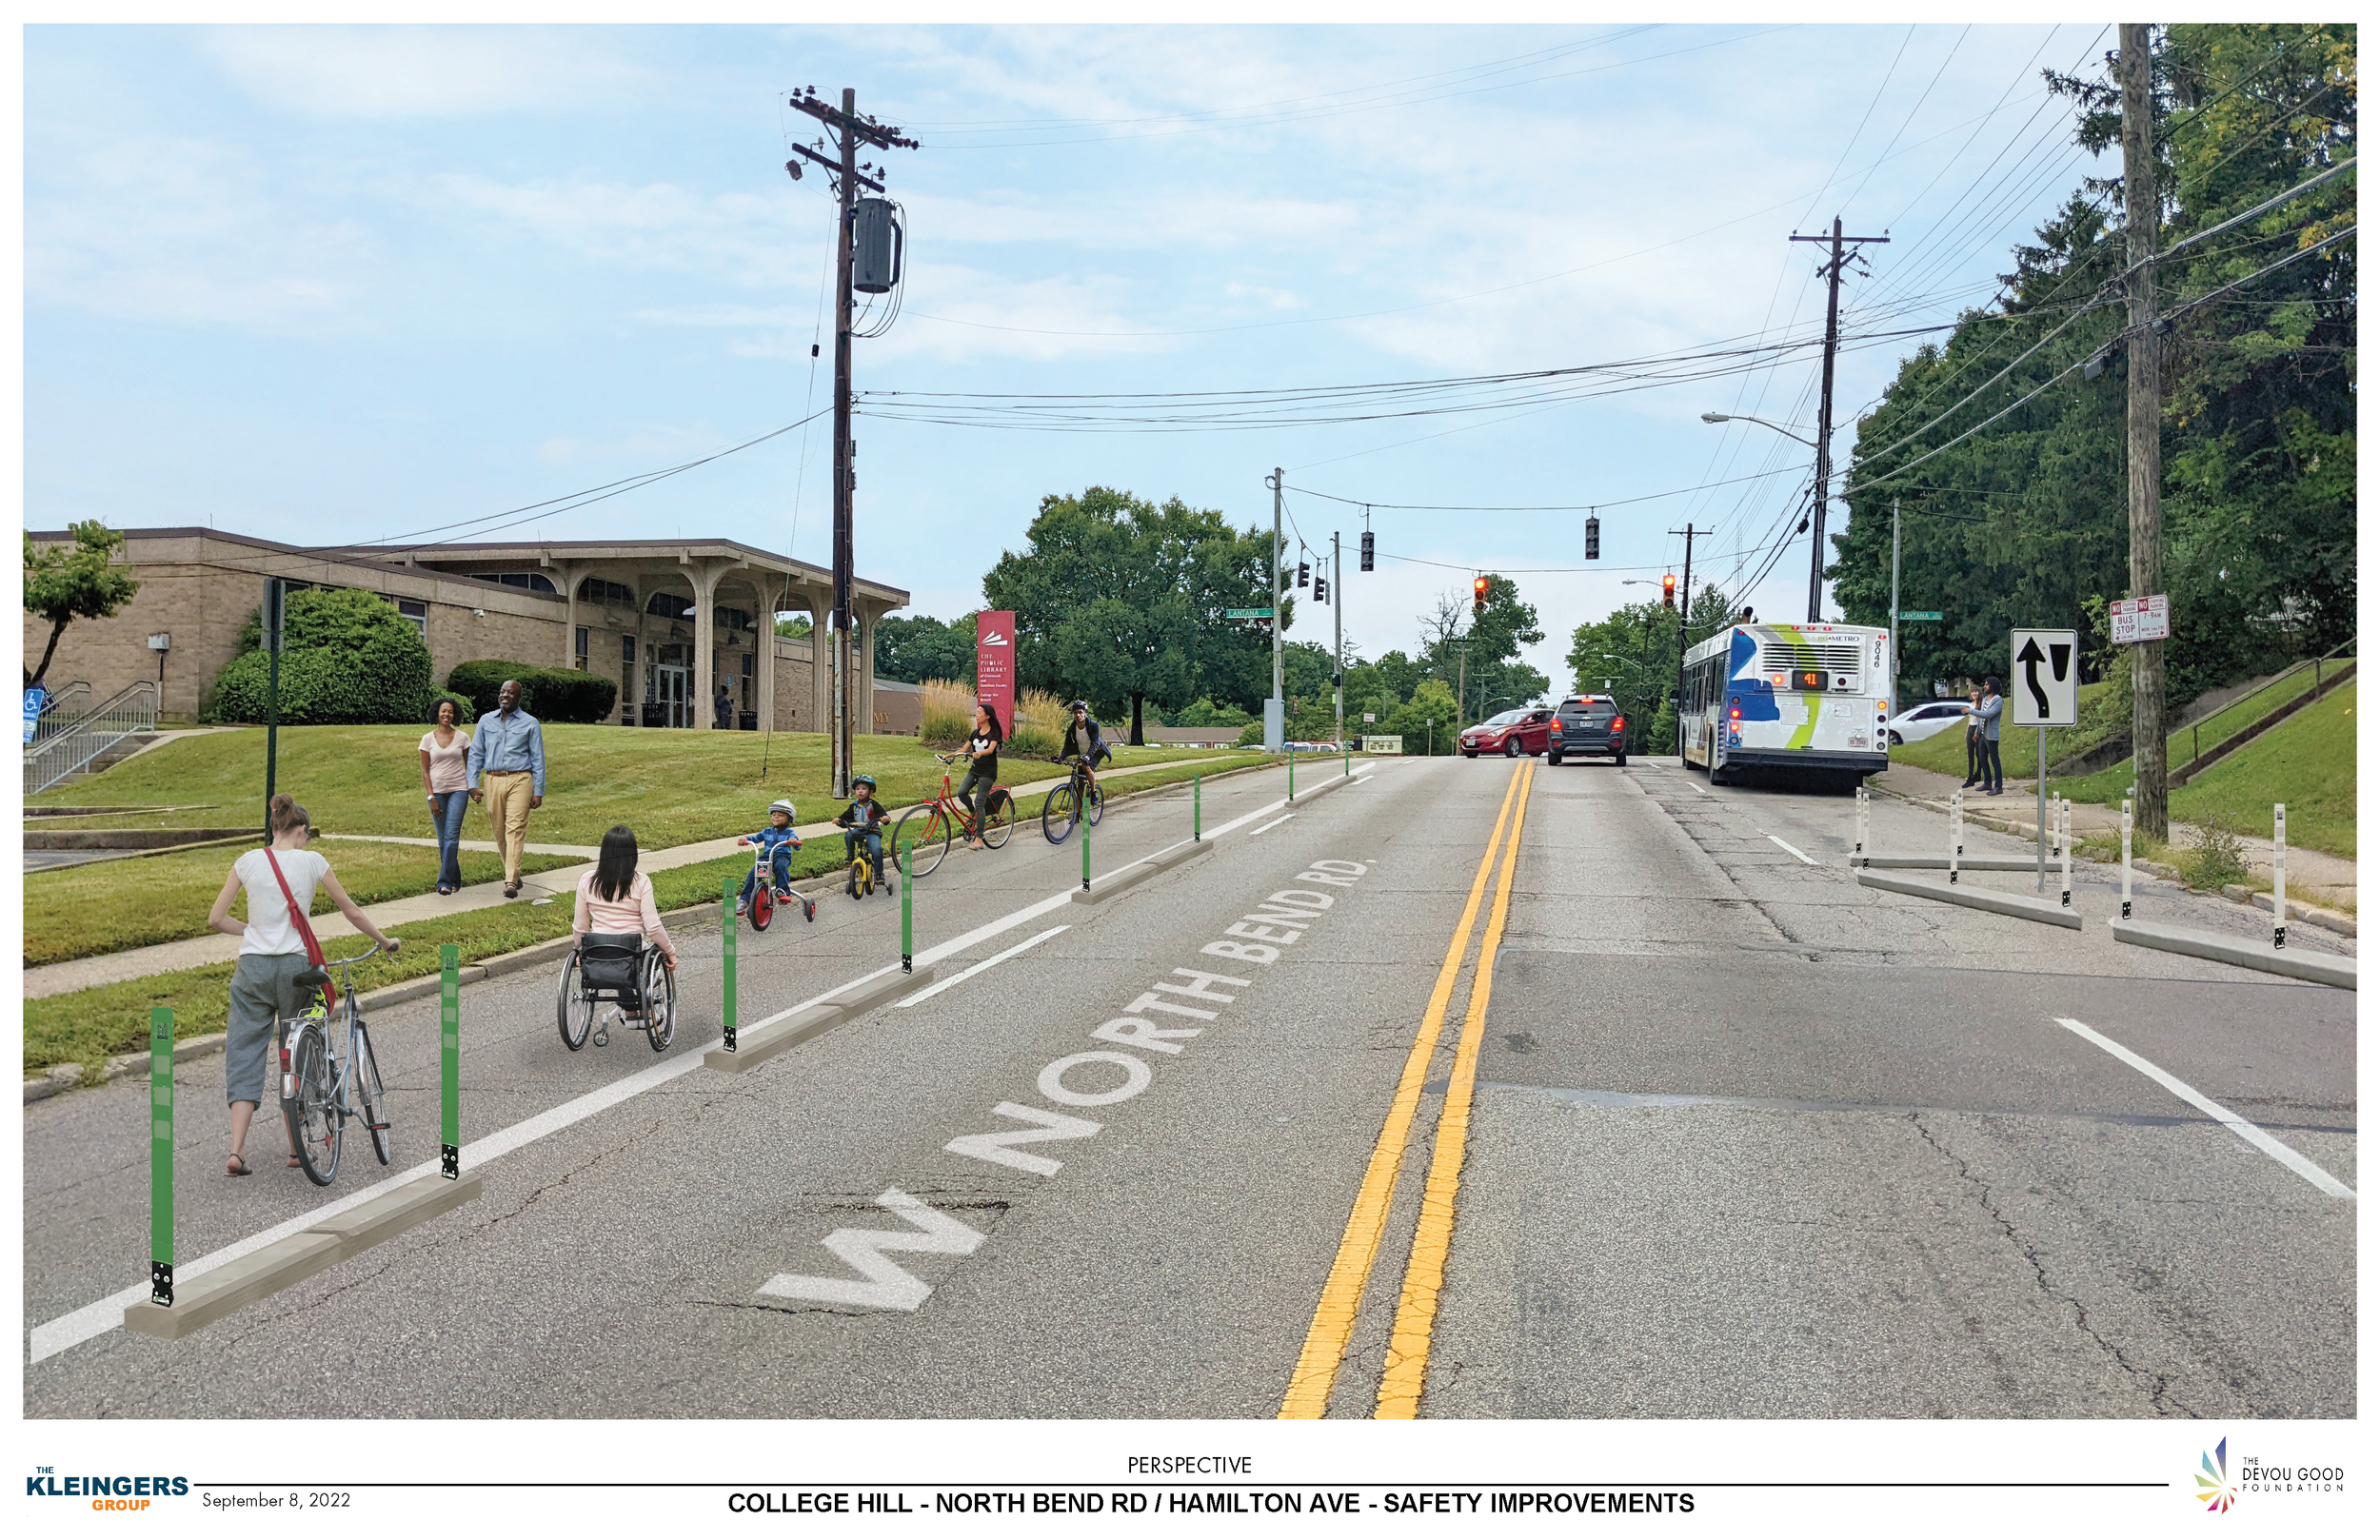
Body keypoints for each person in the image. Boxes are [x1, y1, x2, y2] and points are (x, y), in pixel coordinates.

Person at [206, 794, 397, 1176]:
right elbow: (351, 911)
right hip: (296, 967)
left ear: (274, 827)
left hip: (252, 969)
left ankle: (237, 1151)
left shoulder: (247, 861)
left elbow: (216, 919)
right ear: (302, 831)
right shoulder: (312, 861)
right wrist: (383, 940)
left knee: (244, 1052)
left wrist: (254, 932)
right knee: (298, 1055)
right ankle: (298, 1149)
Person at [466, 678, 545, 898]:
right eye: (502, 692)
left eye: (510, 693)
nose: (505, 695)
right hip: (493, 779)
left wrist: (538, 790)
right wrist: (472, 784)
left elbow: (538, 758)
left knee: (515, 828)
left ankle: (510, 880)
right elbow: (475, 754)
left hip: (521, 779)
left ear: (519, 698)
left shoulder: (530, 723)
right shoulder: (485, 721)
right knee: (499, 831)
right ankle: (515, 873)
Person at [572, 824, 676, 977]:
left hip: (597, 949)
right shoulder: (641, 882)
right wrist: (670, 952)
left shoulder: (587, 880)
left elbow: (580, 926)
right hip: (632, 950)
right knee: (653, 956)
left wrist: (580, 950)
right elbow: (653, 927)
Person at [419, 699, 472, 895]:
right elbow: (425, 771)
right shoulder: (427, 739)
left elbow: (470, 766)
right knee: (443, 840)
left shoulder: (463, 738)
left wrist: (472, 788)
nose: (447, 715)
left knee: (451, 837)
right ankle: (455, 879)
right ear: (437, 713)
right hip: (437, 794)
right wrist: (430, 797)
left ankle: (444, 882)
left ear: (454, 714)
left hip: (459, 790)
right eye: (443, 711)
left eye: (450, 712)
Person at [736, 798, 803, 917]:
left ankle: (782, 891)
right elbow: (755, 838)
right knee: (753, 873)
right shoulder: (767, 831)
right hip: (767, 857)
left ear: (789, 819)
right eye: (773, 814)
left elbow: (797, 846)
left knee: (780, 866)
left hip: (782, 856)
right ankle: (745, 900)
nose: (776, 817)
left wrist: (794, 841)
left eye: (780, 815)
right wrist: (746, 839)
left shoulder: (789, 832)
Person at [836, 774, 892, 895]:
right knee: (849, 835)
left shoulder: (873, 804)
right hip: (858, 830)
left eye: (864, 788)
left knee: (876, 849)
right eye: (857, 789)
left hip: (872, 832)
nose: (860, 791)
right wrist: (839, 820)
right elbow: (845, 817)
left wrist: (885, 818)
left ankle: (879, 873)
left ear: (871, 791)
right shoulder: (854, 806)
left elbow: (883, 814)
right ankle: (850, 856)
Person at [961, 701, 1002, 850]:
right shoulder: (975, 732)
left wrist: (979, 753)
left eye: (979, 713)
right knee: (961, 792)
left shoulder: (994, 733)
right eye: (976, 712)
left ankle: (979, 838)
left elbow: (991, 749)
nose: (976, 715)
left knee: (980, 802)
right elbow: (964, 748)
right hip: (974, 770)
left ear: (987, 716)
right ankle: (971, 811)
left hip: (988, 772)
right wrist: (948, 755)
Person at [1055, 700, 1112, 778]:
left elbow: (1095, 743)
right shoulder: (1071, 729)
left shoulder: (1094, 725)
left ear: (1085, 713)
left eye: (1080, 712)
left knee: (1086, 768)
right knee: (1080, 780)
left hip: (1096, 752)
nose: (1078, 715)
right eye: (1075, 713)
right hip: (1083, 754)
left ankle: (1093, 790)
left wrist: (1087, 757)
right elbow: (1067, 746)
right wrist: (1061, 758)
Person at [1973, 676, 2005, 795]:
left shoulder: (1998, 700)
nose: (1984, 686)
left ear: (1992, 686)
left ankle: (1998, 786)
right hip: (1982, 735)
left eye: (1986, 684)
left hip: (1991, 736)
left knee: (1994, 760)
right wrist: (1977, 731)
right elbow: (1981, 718)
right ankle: (1987, 783)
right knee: (1982, 759)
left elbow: (1988, 714)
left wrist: (1970, 711)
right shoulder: (1985, 699)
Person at [1960, 687, 1984, 788]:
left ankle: (1978, 774)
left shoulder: (1982, 705)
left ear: (1979, 693)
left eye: (1976, 692)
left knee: (1979, 754)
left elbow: (1982, 719)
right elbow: (1970, 720)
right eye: (1972, 692)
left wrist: (1977, 732)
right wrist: (1967, 733)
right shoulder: (1971, 705)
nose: (1974, 694)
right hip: (1971, 728)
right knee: (1970, 754)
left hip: (1978, 730)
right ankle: (1970, 777)